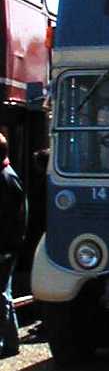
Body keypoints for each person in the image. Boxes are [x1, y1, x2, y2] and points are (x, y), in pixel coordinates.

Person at [0, 133, 26, 357]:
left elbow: (13, 219)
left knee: (1, 295)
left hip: (4, 248)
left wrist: (7, 248)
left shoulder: (7, 178)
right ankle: (10, 341)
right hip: (6, 246)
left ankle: (8, 343)